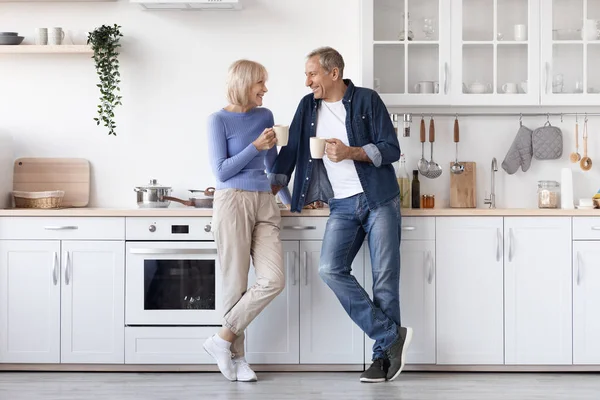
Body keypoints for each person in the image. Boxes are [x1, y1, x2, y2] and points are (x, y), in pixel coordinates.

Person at [270, 47, 412, 383]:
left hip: (378, 198)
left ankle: (382, 359)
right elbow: (292, 151)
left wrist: (351, 153)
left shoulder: (367, 100)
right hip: (342, 205)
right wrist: (271, 187)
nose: (307, 81)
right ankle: (390, 335)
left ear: (334, 73)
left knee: (384, 281)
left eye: (312, 74)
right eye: (307, 75)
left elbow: (392, 148)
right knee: (330, 269)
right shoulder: (308, 107)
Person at [204, 59, 291, 382]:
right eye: (260, 84)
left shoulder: (265, 116)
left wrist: (292, 202)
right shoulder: (218, 121)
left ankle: (221, 340)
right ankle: (238, 358)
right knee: (235, 285)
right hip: (232, 201)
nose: (265, 90)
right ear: (244, 84)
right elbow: (222, 171)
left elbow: (272, 167)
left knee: (273, 279)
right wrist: (255, 145)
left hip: (265, 202)